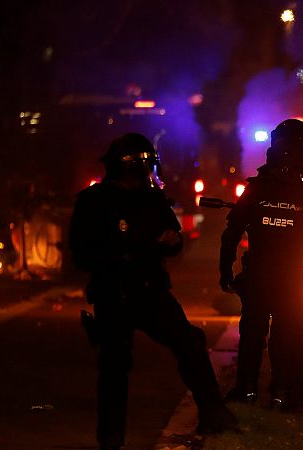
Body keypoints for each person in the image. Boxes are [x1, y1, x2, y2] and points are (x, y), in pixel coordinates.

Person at [69, 133, 236, 450]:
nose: (150, 174)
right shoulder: (93, 202)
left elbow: (173, 237)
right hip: (113, 292)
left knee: (189, 341)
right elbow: (81, 253)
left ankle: (213, 411)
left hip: (150, 290)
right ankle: (111, 437)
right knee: (115, 365)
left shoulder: (152, 198)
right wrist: (126, 252)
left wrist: (172, 241)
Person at [219, 119, 303, 410]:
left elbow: (231, 233)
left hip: (258, 277)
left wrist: (225, 271)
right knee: (296, 335)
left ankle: (246, 390)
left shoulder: (255, 189)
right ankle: (292, 394)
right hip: (294, 281)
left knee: (252, 334)